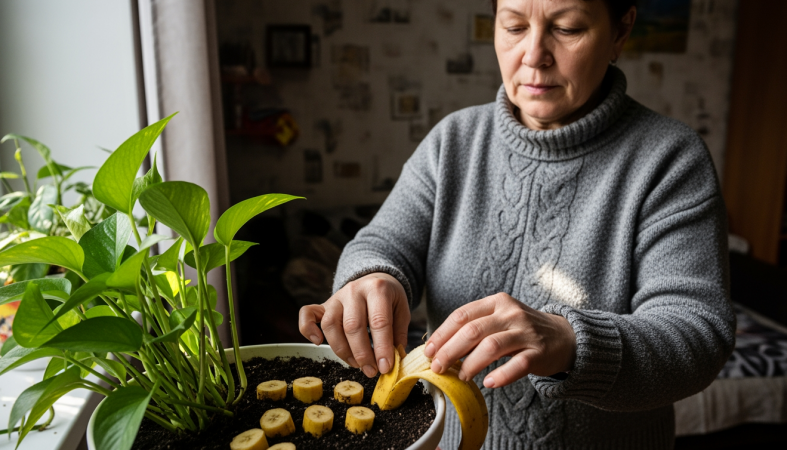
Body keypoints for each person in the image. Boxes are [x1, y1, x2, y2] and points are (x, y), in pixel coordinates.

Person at [299, 0, 736, 448]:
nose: (532, 54)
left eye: (566, 29)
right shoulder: (453, 142)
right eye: (513, 26)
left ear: (620, 33)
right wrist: (373, 275)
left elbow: (697, 335)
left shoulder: (670, 160)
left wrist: (571, 342)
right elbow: (383, 241)